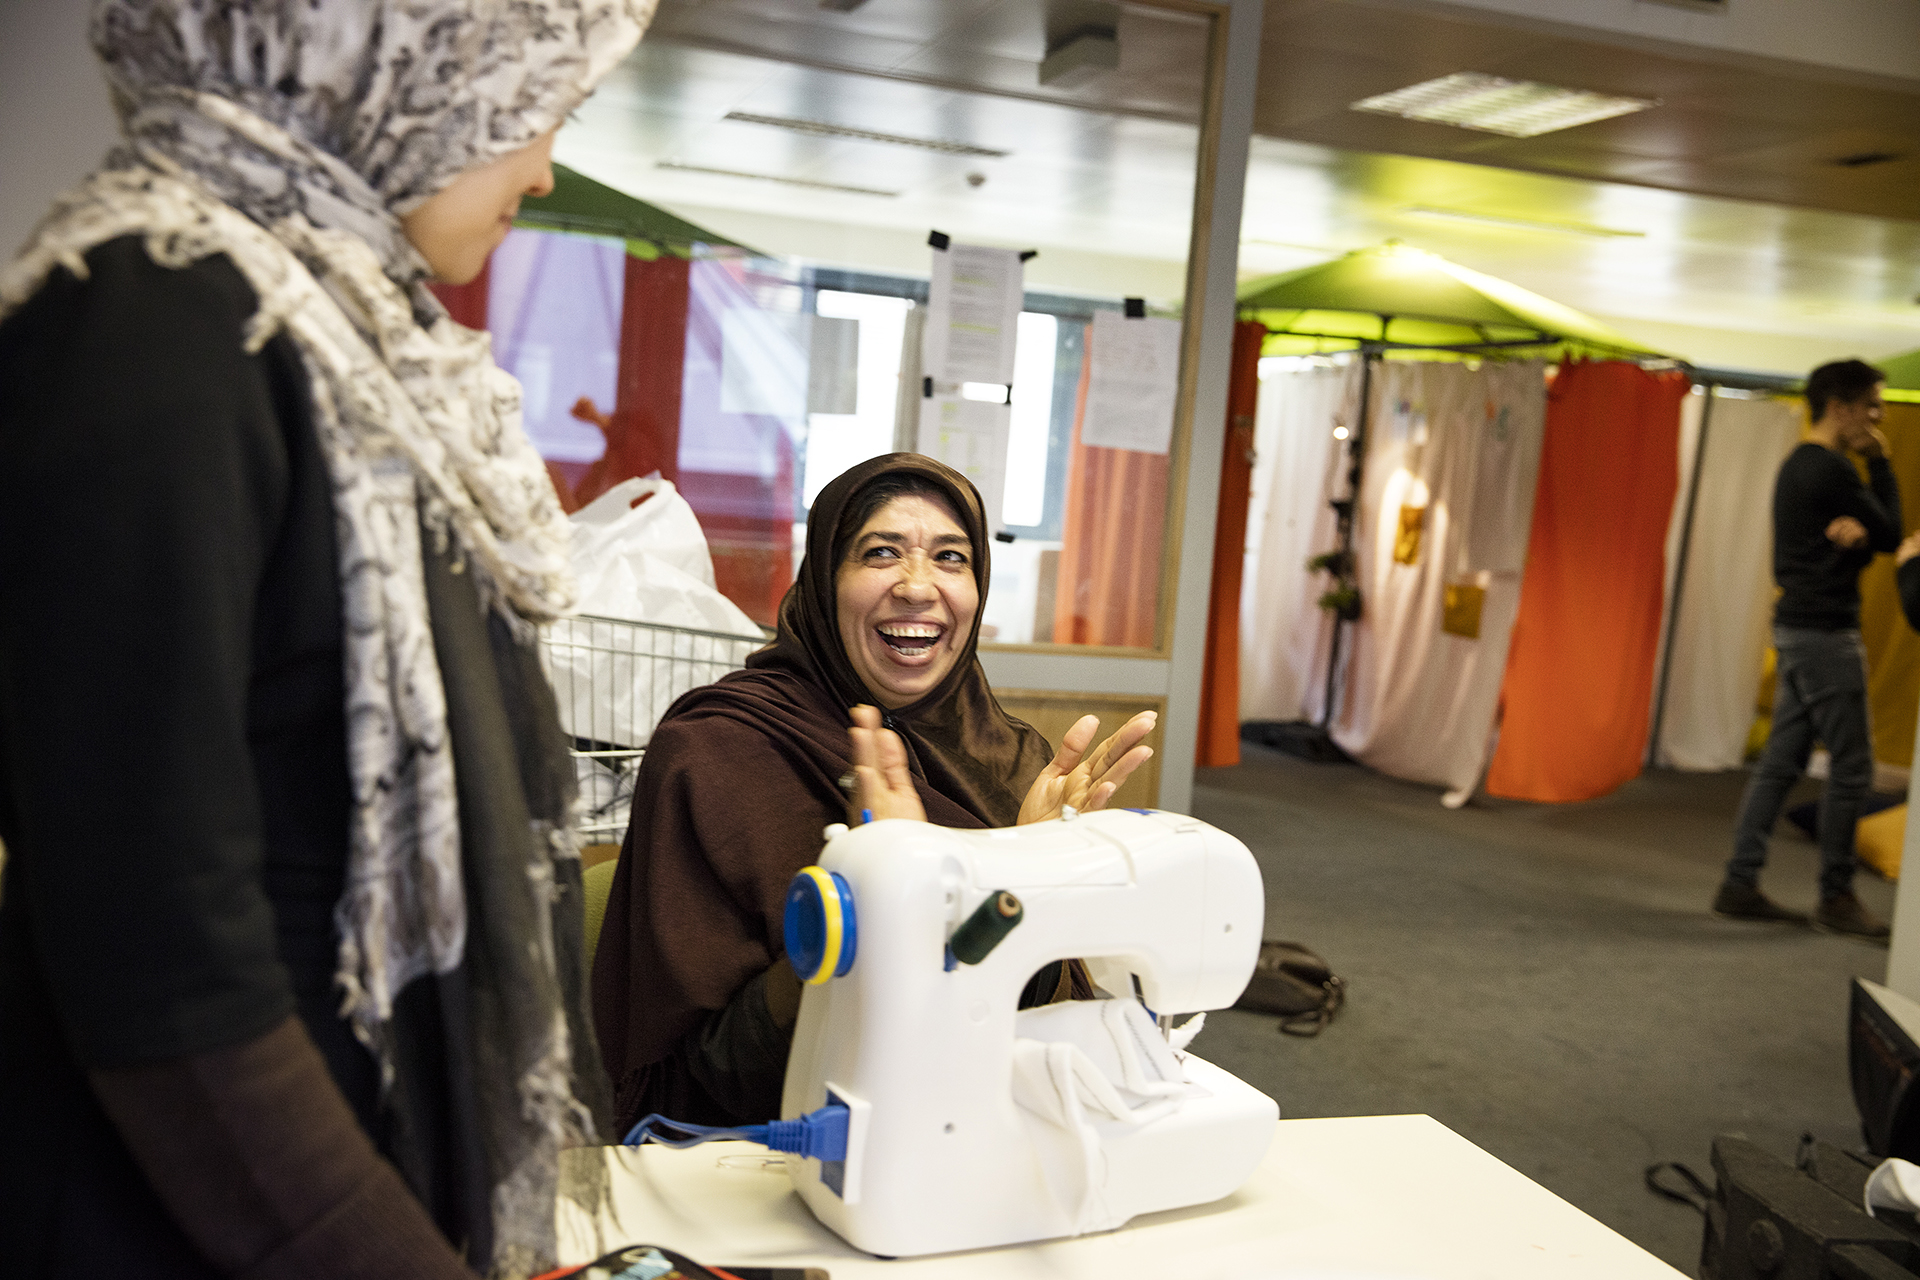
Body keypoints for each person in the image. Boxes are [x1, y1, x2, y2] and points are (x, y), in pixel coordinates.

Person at [0, 3, 654, 1276]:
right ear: (400, 61)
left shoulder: (357, 348)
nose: (543, 165)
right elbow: (166, 969)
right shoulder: (150, 325)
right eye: (535, 105)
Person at [592, 453, 1156, 1134]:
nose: (919, 586)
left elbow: (1035, 1021)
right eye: (881, 552)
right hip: (784, 1157)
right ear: (826, 581)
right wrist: (875, 896)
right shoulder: (719, 754)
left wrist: (1029, 876)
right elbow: (710, 1076)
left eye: (951, 557)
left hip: (986, 1133)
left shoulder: (1013, 765)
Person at [1713, 359, 1898, 940]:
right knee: (1852, 770)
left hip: (1797, 628)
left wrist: (1857, 541)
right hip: (1824, 635)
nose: (1878, 416)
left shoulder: (1799, 465)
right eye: (1871, 404)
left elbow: (1862, 540)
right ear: (1840, 406)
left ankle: (1739, 883)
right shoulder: (1836, 472)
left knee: (1781, 763)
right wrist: (1881, 461)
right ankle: (1836, 898)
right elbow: (1894, 533)